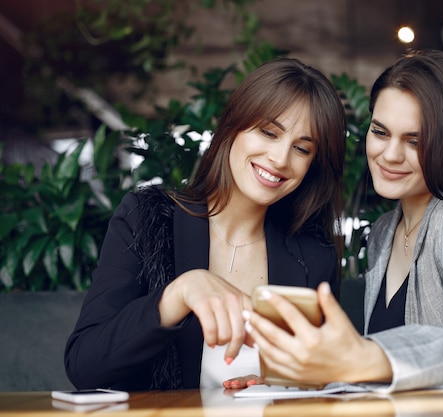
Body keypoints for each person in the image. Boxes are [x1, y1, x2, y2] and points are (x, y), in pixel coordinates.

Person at [242, 49, 443, 392]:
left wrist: (369, 357)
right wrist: (316, 376)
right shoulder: (385, 231)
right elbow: (396, 375)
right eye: (380, 132)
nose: (390, 155)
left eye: (414, 141)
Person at [64, 57, 346, 391]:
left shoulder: (314, 256)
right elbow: (84, 366)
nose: (280, 159)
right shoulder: (146, 218)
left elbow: (325, 381)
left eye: (301, 148)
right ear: (233, 126)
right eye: (269, 133)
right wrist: (177, 296)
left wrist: (286, 386)